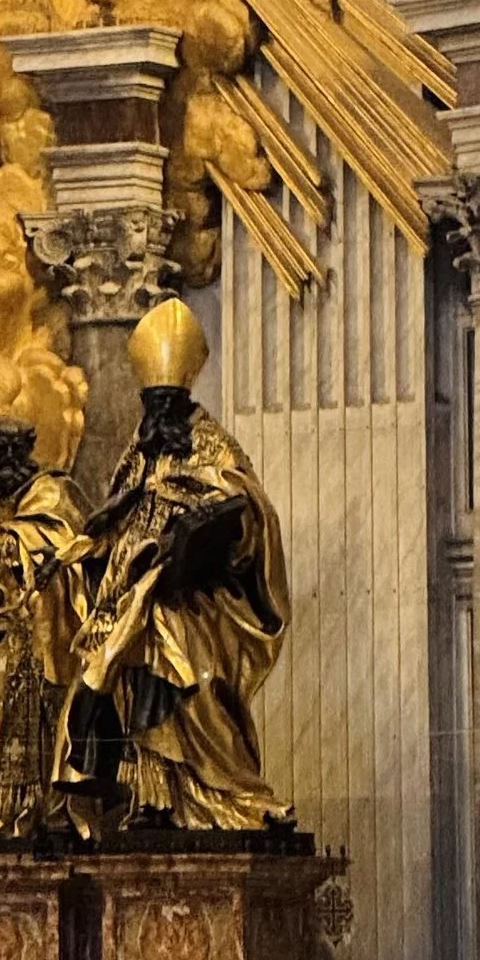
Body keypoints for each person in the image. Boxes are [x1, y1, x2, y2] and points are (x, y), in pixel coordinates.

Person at [60, 298, 292, 831]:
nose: (159, 414)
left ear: (185, 398)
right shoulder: (137, 455)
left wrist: (198, 527)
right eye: (152, 403)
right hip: (134, 590)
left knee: (186, 666)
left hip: (197, 597)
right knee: (127, 661)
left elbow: (251, 511)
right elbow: (113, 514)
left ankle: (227, 788)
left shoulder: (212, 447)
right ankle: (154, 800)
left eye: (168, 402)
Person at [0, 416, 88, 840]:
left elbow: (44, 542)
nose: (1, 461)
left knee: (50, 715)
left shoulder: (51, 491)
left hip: (55, 630)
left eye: (10, 451)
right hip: (16, 626)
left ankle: (51, 810)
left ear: (25, 450)